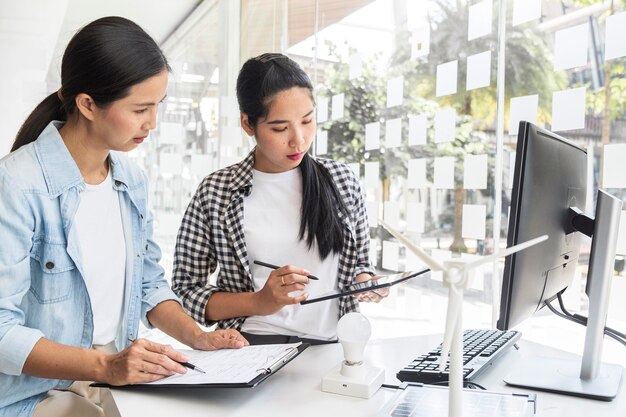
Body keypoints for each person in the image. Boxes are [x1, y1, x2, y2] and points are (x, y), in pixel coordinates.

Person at [0, 16, 248, 417]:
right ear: (87, 104)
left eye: (157, 106)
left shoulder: (130, 179)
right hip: (40, 388)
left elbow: (149, 284)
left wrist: (198, 337)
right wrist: (107, 366)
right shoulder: (16, 184)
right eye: (140, 109)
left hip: (114, 372)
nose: (152, 123)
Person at [171, 53, 385, 346]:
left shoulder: (342, 181)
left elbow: (361, 263)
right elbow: (185, 290)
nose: (298, 140)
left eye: (307, 121)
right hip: (248, 347)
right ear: (248, 124)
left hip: (330, 347)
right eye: (280, 128)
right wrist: (259, 301)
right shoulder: (216, 192)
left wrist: (365, 282)